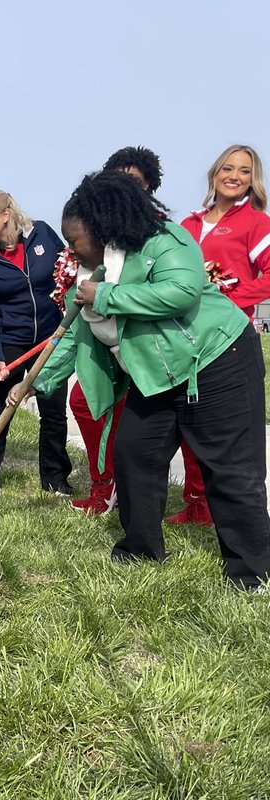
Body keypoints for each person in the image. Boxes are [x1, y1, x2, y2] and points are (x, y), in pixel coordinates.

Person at [12, 169, 270, 592]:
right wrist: (34, 383)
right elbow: (75, 334)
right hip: (156, 377)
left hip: (216, 358)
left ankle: (251, 572)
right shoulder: (91, 275)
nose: (71, 250)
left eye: (75, 240)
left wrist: (108, 296)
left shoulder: (161, 240)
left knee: (230, 470)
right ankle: (141, 549)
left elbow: (182, 291)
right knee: (134, 455)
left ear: (101, 230)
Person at [170, 144, 270, 527]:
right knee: (188, 422)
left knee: (224, 433)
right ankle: (197, 505)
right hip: (184, 341)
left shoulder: (256, 224)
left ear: (253, 180)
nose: (235, 176)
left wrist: (230, 300)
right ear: (214, 174)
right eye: (228, 168)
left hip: (228, 343)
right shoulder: (189, 226)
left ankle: (230, 514)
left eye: (245, 171)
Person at [65, 146, 165, 514]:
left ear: (149, 187)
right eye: (120, 179)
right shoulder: (95, 237)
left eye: (136, 181)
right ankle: (104, 485)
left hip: (147, 346)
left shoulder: (156, 234)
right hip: (106, 345)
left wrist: (107, 296)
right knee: (82, 400)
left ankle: (194, 499)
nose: (128, 187)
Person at [0, 190, 73, 502]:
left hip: (50, 341)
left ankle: (55, 480)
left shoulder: (42, 235)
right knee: (1, 409)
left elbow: (65, 272)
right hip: (10, 343)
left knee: (53, 411)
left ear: (6, 215)